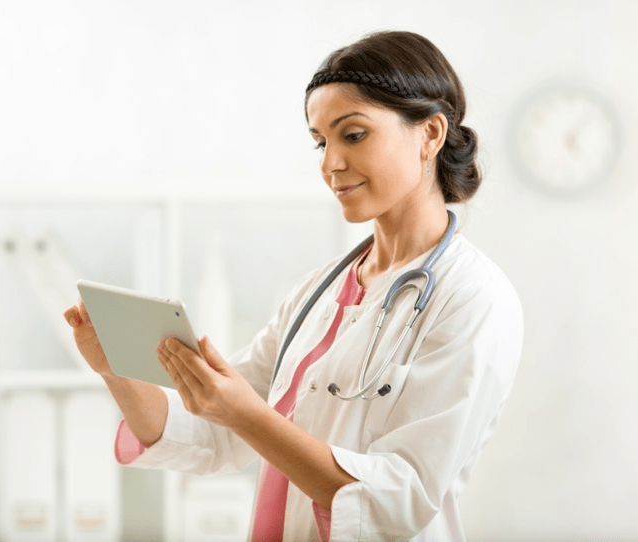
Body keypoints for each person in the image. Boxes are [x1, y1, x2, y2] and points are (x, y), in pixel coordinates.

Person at [64, 30, 523, 542]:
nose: (330, 164)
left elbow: (400, 499)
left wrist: (246, 414)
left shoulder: (474, 298)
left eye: (353, 135)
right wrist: (116, 372)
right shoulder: (317, 292)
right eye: (320, 142)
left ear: (431, 134)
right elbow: (213, 433)